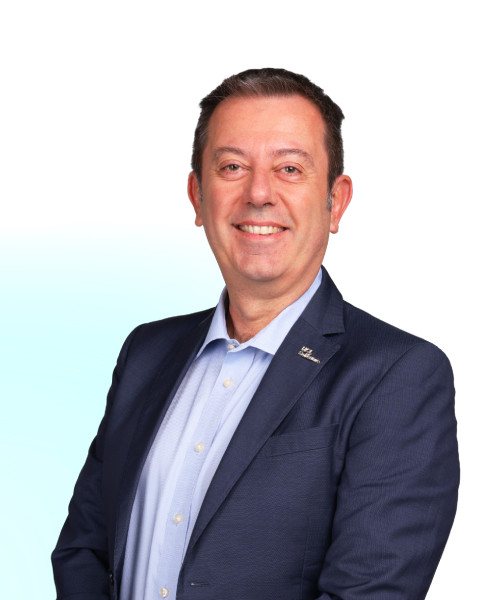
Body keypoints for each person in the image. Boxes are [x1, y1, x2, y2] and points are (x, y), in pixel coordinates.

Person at [52, 68, 459, 600]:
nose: (259, 193)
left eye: (289, 168)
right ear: (197, 196)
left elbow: (369, 591)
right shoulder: (145, 353)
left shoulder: (398, 376)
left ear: (336, 201)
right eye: (232, 167)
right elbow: (84, 549)